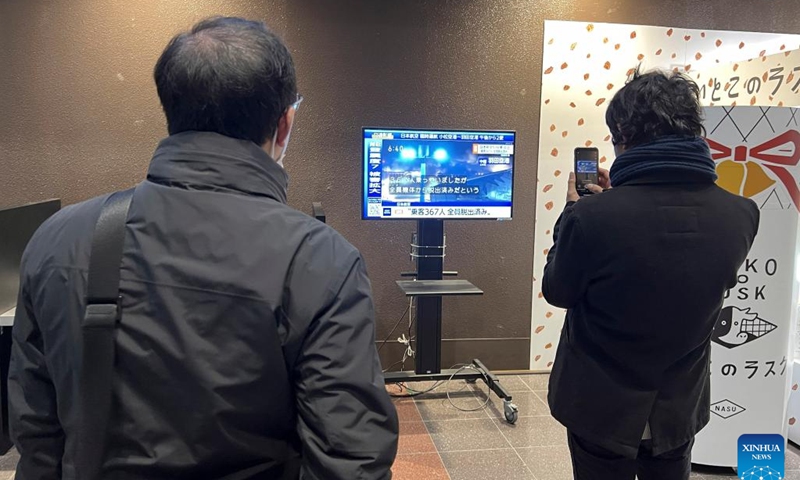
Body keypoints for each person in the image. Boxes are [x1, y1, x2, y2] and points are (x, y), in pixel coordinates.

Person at [9, 16, 398, 480]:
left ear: (172, 110)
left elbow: (35, 432)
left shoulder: (58, 237)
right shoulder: (321, 260)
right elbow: (350, 458)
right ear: (285, 123)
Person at [543, 68, 759, 480]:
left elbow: (558, 289)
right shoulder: (742, 213)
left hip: (599, 407)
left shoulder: (592, 217)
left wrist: (575, 209)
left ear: (623, 134)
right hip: (678, 407)